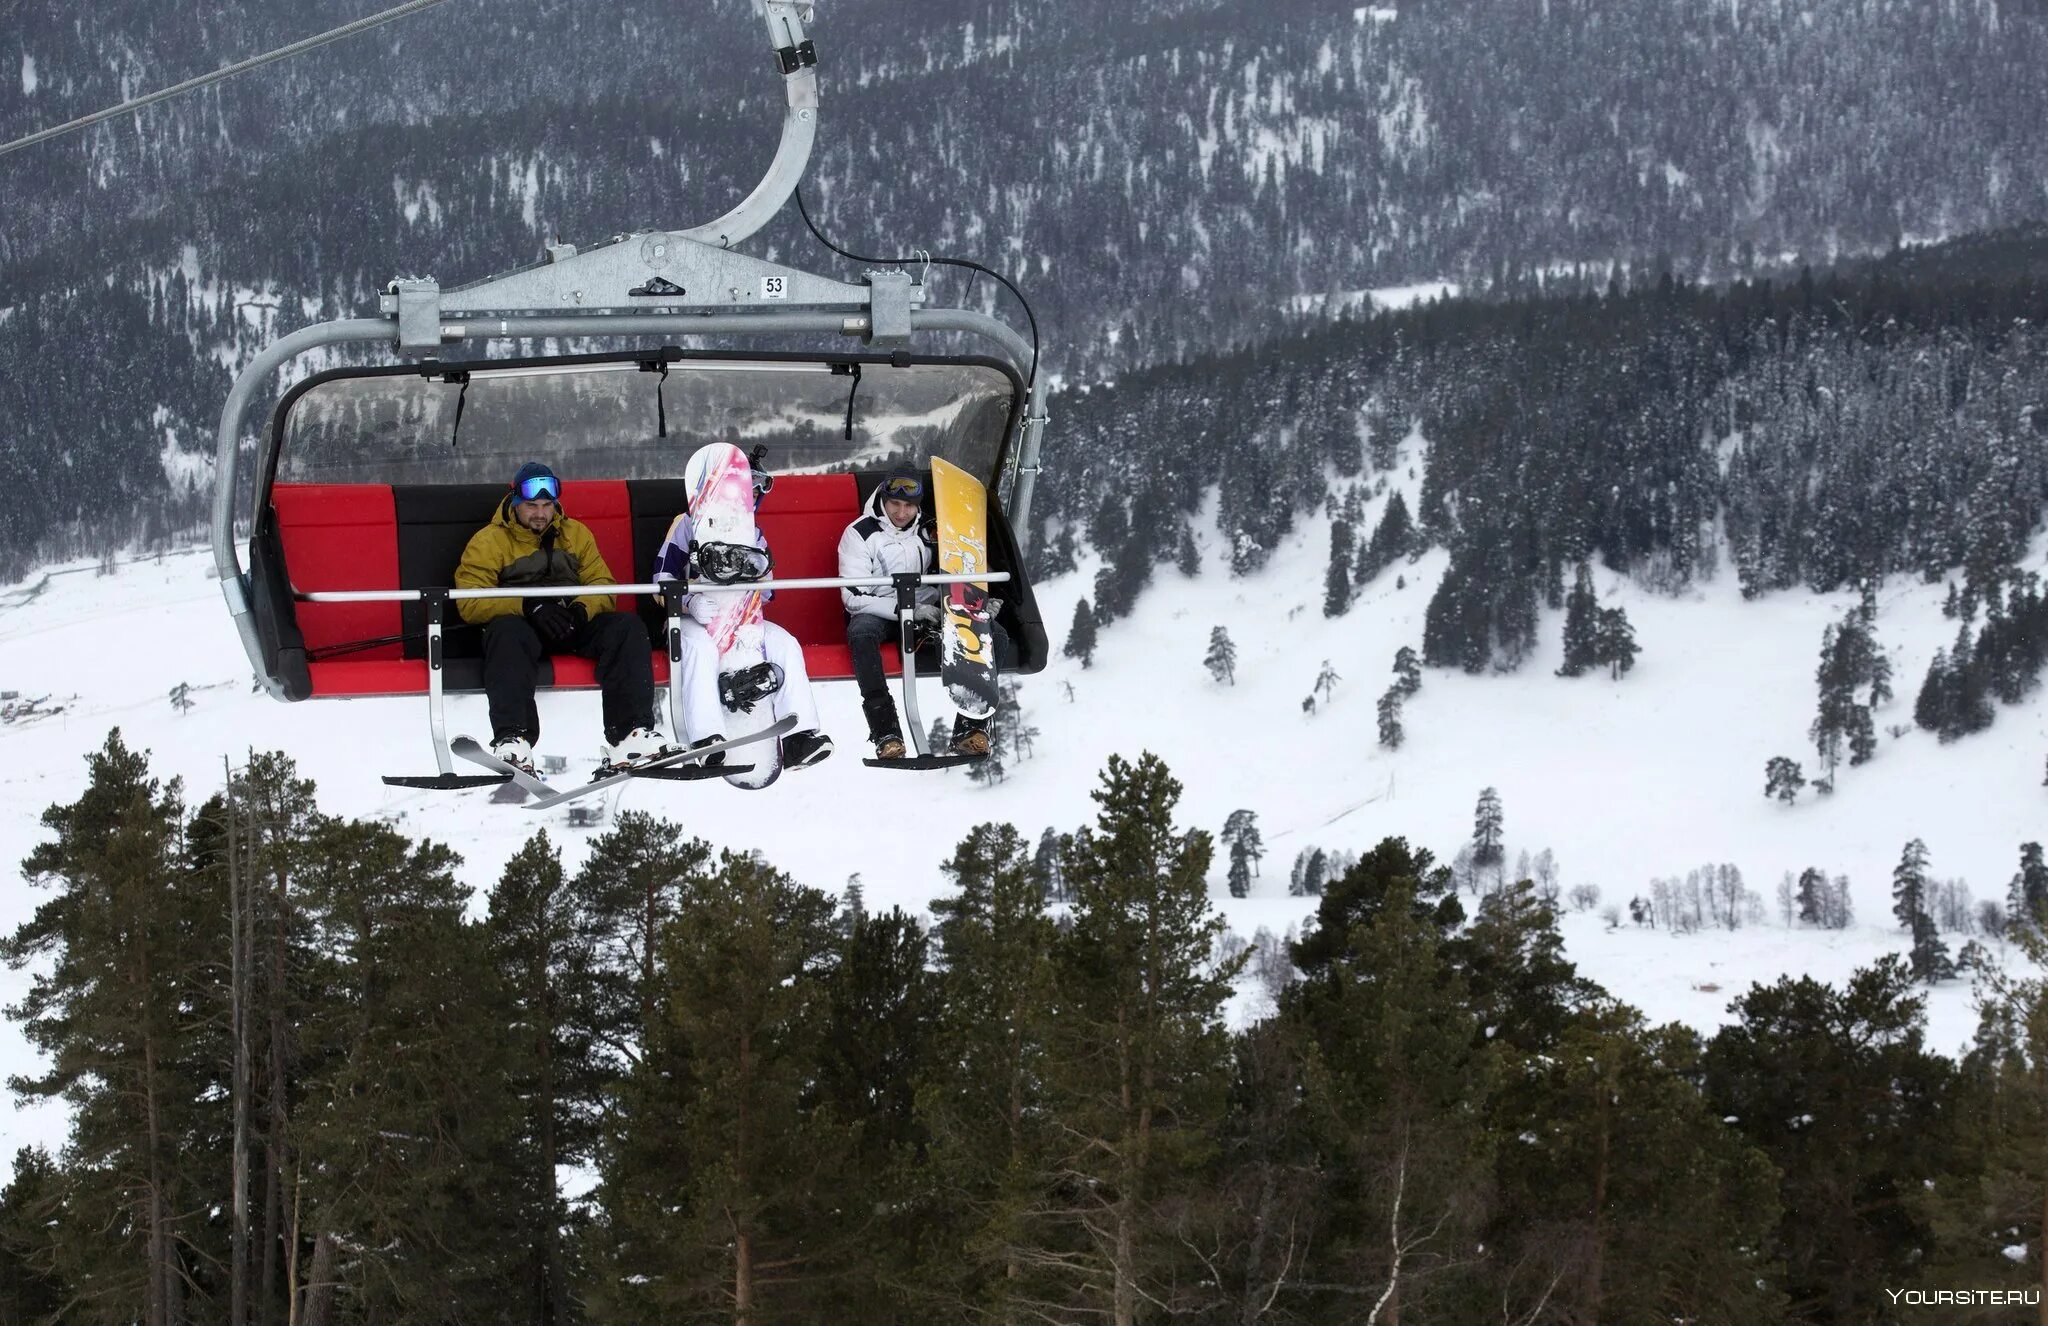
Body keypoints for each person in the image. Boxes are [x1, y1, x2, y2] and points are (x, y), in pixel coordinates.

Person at [453, 461, 666, 775]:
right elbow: (469, 602)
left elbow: (603, 585)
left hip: (570, 624)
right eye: (531, 506)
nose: (540, 513)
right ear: (514, 503)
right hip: (523, 629)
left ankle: (630, 734)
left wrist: (580, 610)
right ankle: (514, 738)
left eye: (547, 505)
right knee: (506, 633)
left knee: (627, 628)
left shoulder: (575, 534)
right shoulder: (489, 541)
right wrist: (529, 606)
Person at [651, 487, 834, 770]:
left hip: (739, 620)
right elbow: (661, 579)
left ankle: (800, 738)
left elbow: (767, 588)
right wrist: (690, 601)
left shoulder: (752, 532)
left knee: (785, 643)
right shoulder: (687, 524)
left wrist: (753, 586)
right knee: (700, 649)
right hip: (689, 620)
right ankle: (705, 739)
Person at [837, 465, 1004, 759]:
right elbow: (853, 596)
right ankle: (885, 732)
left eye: (909, 506)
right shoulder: (860, 533)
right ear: (883, 501)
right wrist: (907, 609)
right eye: (895, 505)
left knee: (996, 635)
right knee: (861, 633)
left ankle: (971, 728)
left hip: (929, 607)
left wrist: (978, 600)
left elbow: (962, 565)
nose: (902, 513)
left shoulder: (931, 530)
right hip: (882, 609)